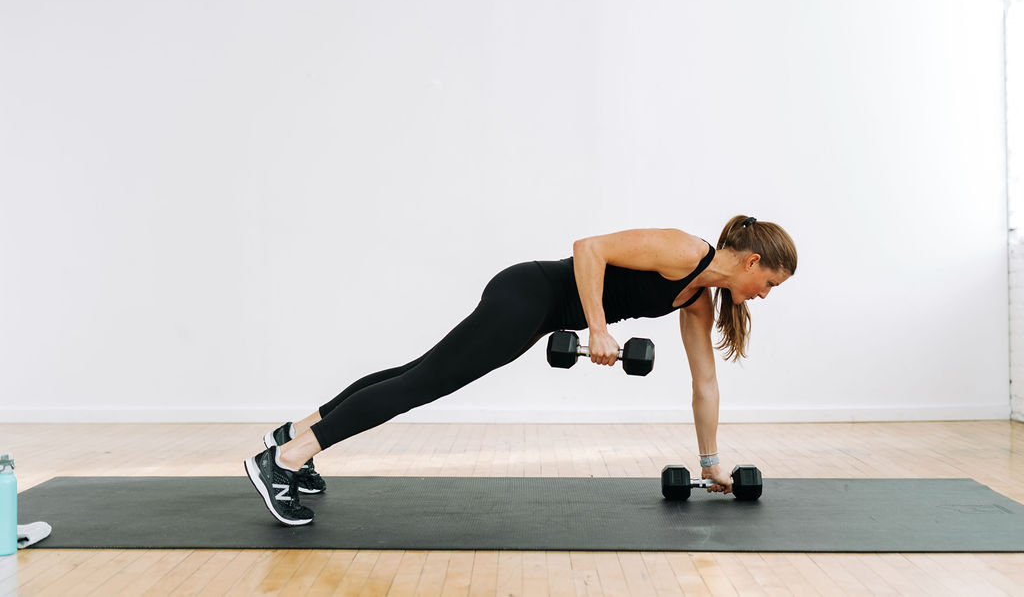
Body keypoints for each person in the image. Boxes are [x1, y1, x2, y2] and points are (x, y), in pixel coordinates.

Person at [244, 215, 797, 525]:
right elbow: (589, 248)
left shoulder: (697, 299)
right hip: (530, 292)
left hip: (540, 314)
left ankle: (290, 437)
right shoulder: (686, 250)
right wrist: (599, 328)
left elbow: (705, 384)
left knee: (417, 371)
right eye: (770, 282)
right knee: (424, 384)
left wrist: (710, 465)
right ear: (752, 261)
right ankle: (283, 461)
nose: (766, 295)